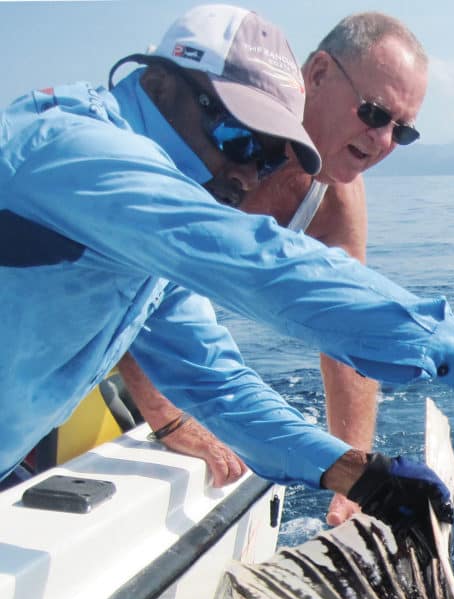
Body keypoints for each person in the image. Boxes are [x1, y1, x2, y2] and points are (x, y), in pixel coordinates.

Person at [0, 5, 454, 553]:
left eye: (264, 153)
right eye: (235, 136)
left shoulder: (143, 248)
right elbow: (257, 263)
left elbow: (215, 384)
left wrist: (360, 477)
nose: (242, 173)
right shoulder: (72, 150)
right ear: (159, 84)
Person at [121, 11, 429, 526]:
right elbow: (124, 259)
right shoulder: (204, 139)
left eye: (404, 131)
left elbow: (347, 326)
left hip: (154, 334)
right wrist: (167, 419)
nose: (383, 141)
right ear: (318, 74)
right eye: (375, 114)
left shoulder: (336, 198)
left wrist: (354, 475)